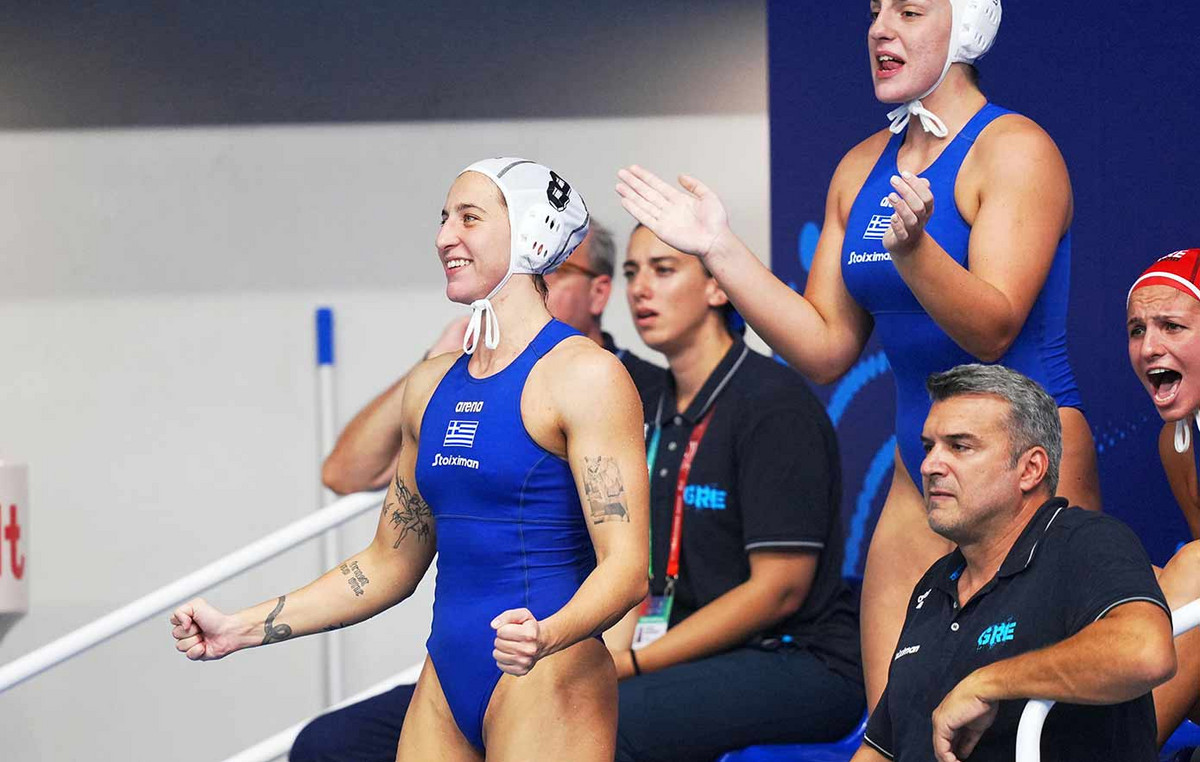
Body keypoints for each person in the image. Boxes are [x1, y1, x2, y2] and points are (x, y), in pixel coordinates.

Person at [615, 0, 1100, 709]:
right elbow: (824, 348)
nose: (880, 28)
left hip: (1025, 464)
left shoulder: (1015, 150)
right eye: (875, 11)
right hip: (920, 469)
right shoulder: (860, 169)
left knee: (1026, 731)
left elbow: (993, 330)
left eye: (909, 10)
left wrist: (915, 252)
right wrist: (720, 249)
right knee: (894, 724)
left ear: (967, 26)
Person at [170, 158, 649, 761]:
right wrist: (241, 627)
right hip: (447, 672)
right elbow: (387, 563)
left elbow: (627, 569)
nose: (445, 236)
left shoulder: (585, 376)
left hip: (550, 670)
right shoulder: (429, 387)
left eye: (469, 218)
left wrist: (547, 635)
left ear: (531, 233)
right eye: (444, 218)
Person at [295, 219, 663, 762]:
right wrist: (435, 368)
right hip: (463, 658)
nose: (529, 279)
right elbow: (350, 482)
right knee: (326, 742)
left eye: (551, 268)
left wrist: (563, 638)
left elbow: (629, 568)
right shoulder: (449, 379)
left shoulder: (617, 383)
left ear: (598, 291)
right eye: (445, 218)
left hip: (569, 650)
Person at [611, 225, 864, 761]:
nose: (639, 289)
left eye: (663, 269)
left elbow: (778, 591)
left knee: (609, 720)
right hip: (687, 647)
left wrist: (631, 664)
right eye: (631, 272)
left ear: (717, 286)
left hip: (798, 656)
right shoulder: (652, 402)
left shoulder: (773, 406)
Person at [850, 364, 1174, 762]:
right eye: (929, 447)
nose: (929, 465)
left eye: (959, 446)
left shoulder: (1082, 541)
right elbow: (880, 750)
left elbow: (1145, 651)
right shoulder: (934, 585)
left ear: (1030, 469)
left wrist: (989, 683)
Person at [1126, 247, 1200, 749]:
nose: (1149, 347)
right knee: (1123, 583)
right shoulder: (1178, 444)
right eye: (1137, 330)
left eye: (1171, 326)